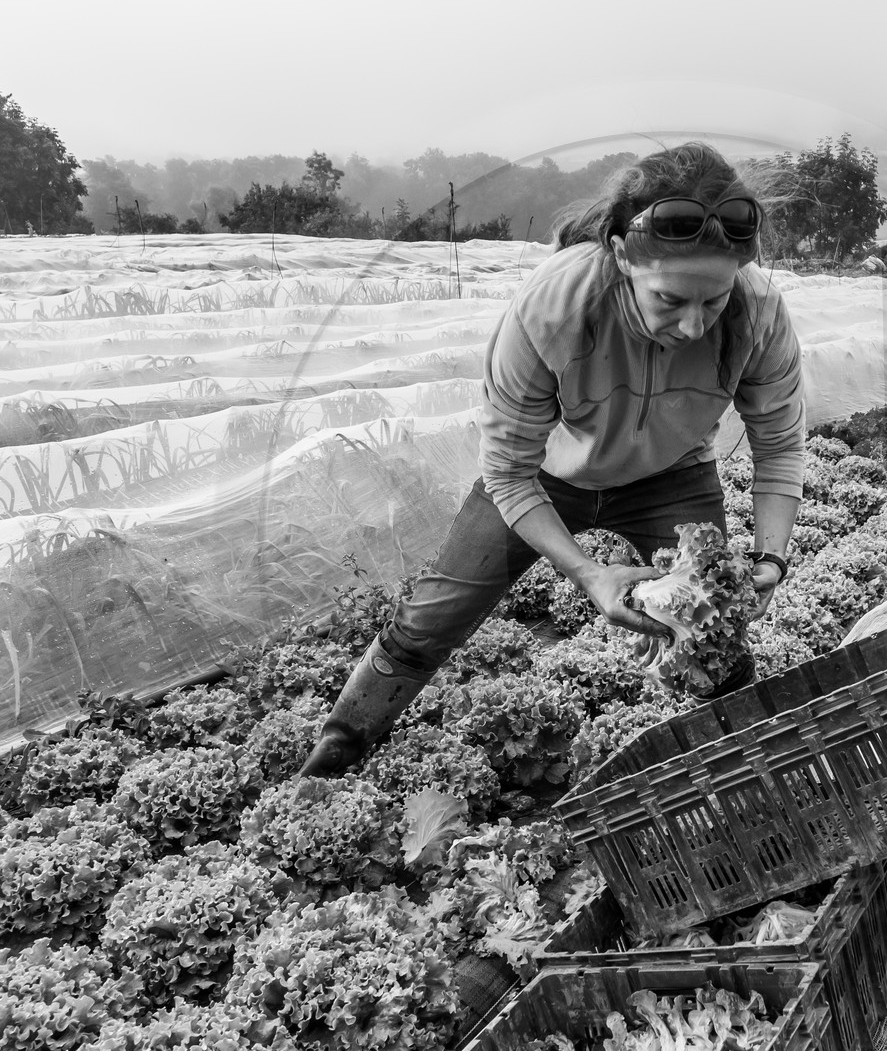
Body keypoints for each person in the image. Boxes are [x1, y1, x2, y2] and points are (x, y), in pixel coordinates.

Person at [300, 141, 806, 777]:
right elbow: (508, 470)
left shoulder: (758, 312)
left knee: (716, 640)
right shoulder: (556, 305)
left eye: (714, 300)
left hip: (671, 476)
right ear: (622, 255)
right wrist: (590, 575)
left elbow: (779, 444)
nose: (694, 326)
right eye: (670, 300)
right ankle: (339, 744)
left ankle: (744, 777)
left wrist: (770, 559)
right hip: (545, 478)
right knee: (431, 617)